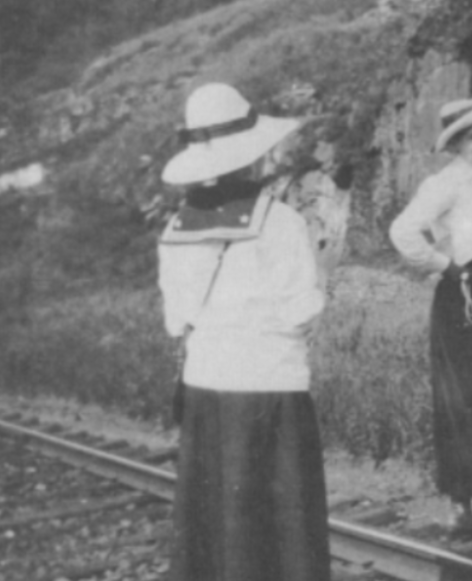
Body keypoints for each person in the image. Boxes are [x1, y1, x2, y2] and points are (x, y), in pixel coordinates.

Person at [158, 82, 330, 581]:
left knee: (216, 522)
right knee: (282, 525)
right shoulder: (281, 222)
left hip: (207, 388)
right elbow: (303, 310)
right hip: (271, 389)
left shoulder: (177, 229)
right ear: (252, 157)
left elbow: (177, 321)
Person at [389, 98, 472, 542]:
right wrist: (444, 265)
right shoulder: (446, 182)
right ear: (457, 144)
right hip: (465, 295)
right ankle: (461, 505)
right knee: (462, 397)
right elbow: (404, 231)